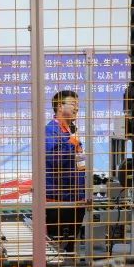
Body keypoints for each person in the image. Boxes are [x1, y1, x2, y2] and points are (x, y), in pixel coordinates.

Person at [45, 90, 87, 251]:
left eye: (78, 104)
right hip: (59, 201)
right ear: (59, 106)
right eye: (73, 104)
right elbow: (54, 160)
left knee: (69, 247)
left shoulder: (70, 129)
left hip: (75, 198)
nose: (77, 108)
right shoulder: (51, 130)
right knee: (57, 249)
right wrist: (71, 143)